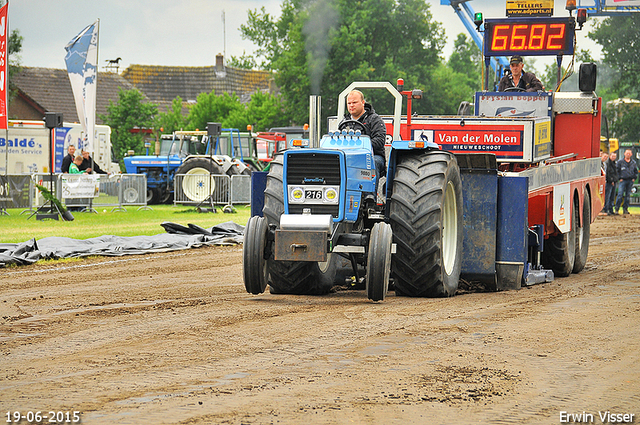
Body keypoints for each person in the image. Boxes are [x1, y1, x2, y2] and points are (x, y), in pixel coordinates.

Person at [339, 89, 387, 184]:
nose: (351, 105)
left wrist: (360, 146)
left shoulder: (374, 119)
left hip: (372, 156)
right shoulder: (343, 123)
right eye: (349, 103)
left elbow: (380, 141)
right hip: (348, 156)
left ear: (363, 103)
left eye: (354, 102)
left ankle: (370, 195)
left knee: (373, 162)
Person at [614, 148, 638, 215]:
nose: (628, 154)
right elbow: (617, 171)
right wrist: (619, 178)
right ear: (624, 154)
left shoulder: (633, 163)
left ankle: (625, 209)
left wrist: (634, 178)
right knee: (620, 194)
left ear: (631, 154)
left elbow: (636, 171)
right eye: (627, 153)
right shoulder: (620, 162)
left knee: (628, 196)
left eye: (629, 153)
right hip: (623, 180)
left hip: (630, 181)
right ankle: (616, 209)